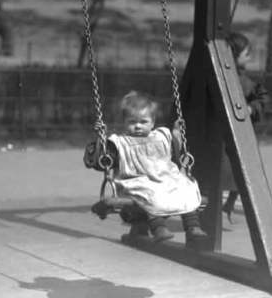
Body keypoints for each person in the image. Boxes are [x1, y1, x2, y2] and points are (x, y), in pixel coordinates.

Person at [85, 91, 207, 242]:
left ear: (153, 122)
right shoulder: (120, 143)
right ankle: (159, 228)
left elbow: (175, 152)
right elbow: (101, 161)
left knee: (185, 187)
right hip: (135, 181)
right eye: (132, 122)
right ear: (124, 122)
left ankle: (193, 227)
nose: (138, 126)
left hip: (164, 179)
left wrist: (177, 133)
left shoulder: (160, 137)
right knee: (149, 193)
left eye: (143, 122)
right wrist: (100, 140)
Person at [220, 32, 269, 223]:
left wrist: (251, 108)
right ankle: (219, 208)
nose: (250, 57)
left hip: (241, 137)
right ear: (234, 55)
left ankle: (228, 206)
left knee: (243, 173)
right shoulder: (225, 78)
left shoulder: (247, 82)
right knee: (228, 173)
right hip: (223, 138)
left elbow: (262, 97)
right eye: (246, 53)